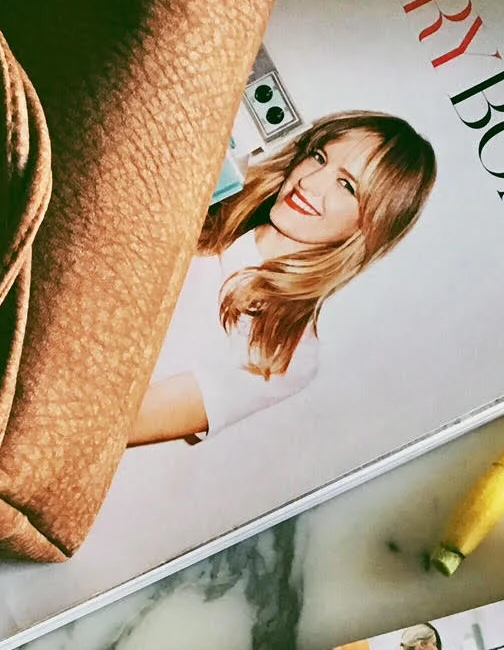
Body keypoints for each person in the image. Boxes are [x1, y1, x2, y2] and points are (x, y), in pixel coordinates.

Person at [130, 111, 436, 445]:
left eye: (346, 185)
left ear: (370, 226)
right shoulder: (212, 193)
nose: (310, 182)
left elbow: (126, 423)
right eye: (318, 157)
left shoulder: (287, 349)